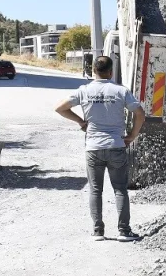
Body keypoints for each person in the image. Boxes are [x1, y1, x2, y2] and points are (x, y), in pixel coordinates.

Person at [54, 55, 145, 242]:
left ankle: (98, 231)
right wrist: (133, 135)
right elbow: (140, 113)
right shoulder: (120, 91)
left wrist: (81, 121)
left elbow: (60, 108)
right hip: (116, 145)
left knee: (95, 190)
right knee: (120, 189)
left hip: (93, 148)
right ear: (111, 72)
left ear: (93, 71)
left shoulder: (84, 90)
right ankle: (124, 231)